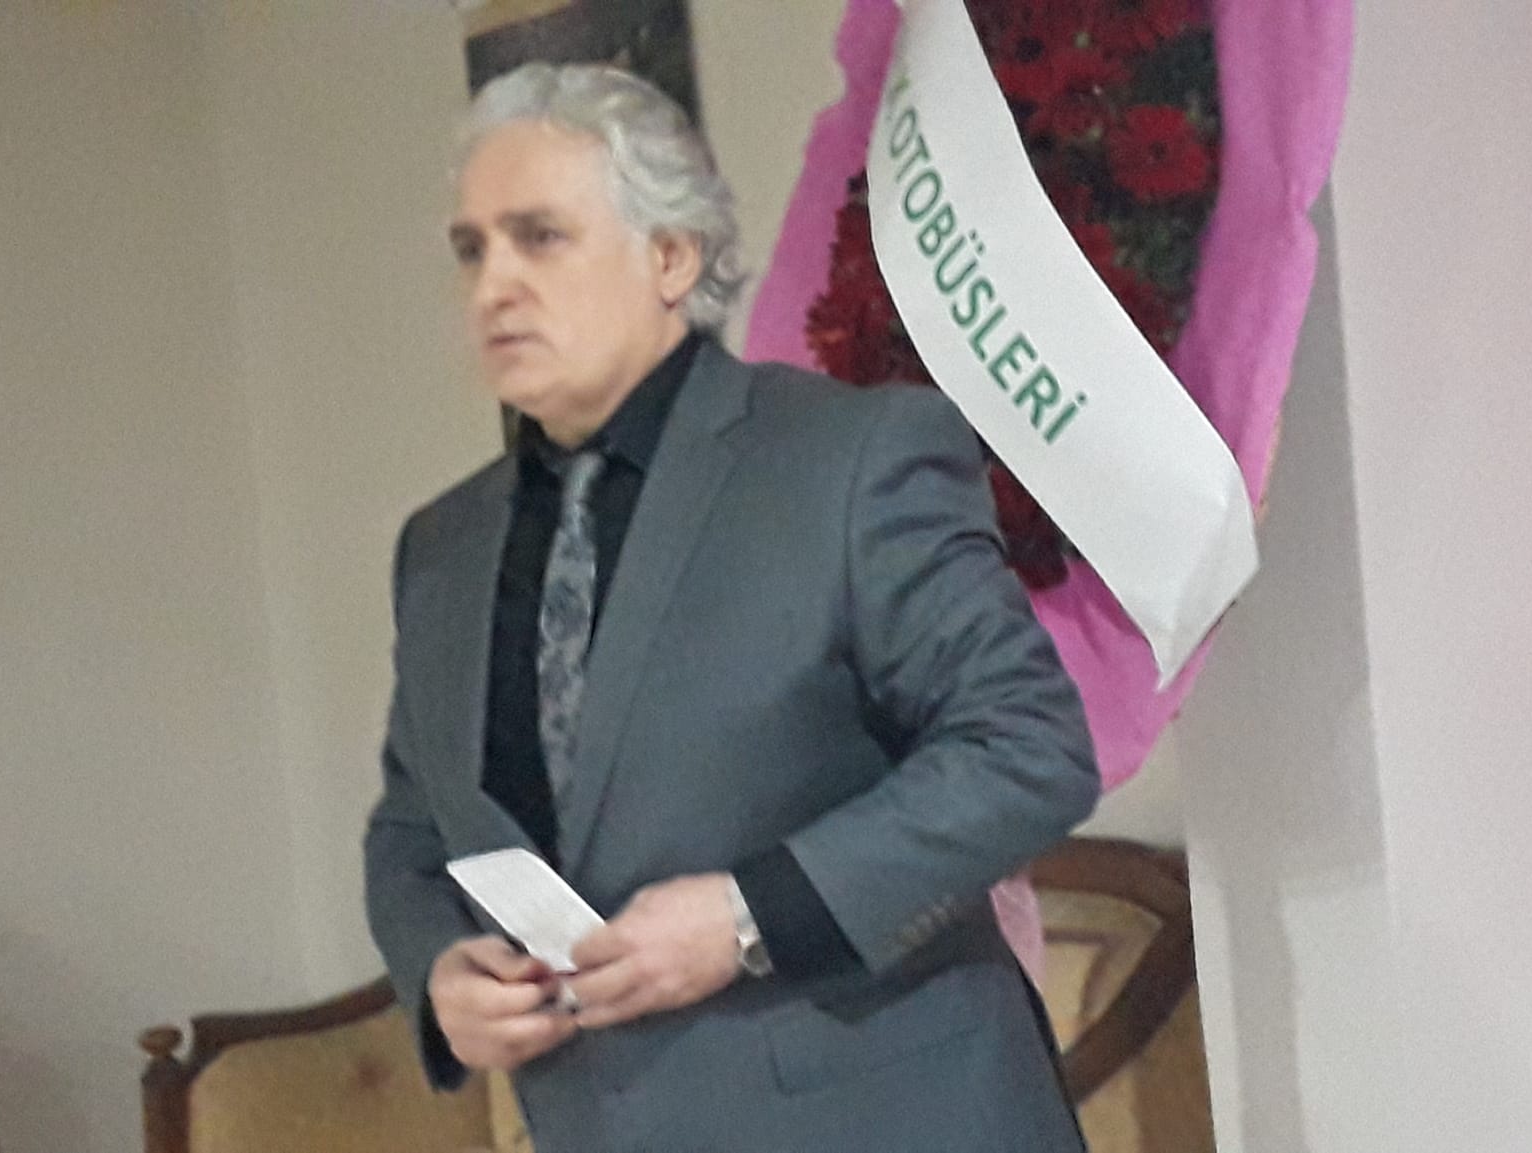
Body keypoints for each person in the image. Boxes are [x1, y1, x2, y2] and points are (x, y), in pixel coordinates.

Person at [364, 60, 1099, 1152]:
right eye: (472, 250)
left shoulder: (849, 459)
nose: (493, 286)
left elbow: (1029, 747)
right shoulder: (440, 548)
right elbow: (411, 829)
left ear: (671, 255)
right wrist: (437, 972)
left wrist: (749, 915)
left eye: (539, 237)